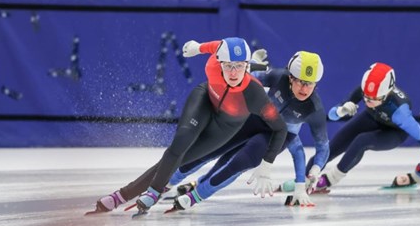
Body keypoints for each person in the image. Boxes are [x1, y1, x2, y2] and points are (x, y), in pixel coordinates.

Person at [88, 37, 287, 215]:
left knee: (182, 160)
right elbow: (215, 46)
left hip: (226, 126)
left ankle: (126, 194)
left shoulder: (256, 95)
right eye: (227, 66)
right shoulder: (213, 64)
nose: (233, 72)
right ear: (219, 62)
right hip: (205, 100)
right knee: (178, 147)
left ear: (245, 65)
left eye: (239, 66)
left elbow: (280, 129)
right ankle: (146, 193)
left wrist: (267, 164)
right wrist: (198, 47)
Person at [167, 49, 329, 211]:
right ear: (290, 77)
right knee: (212, 148)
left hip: (277, 136)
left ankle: (195, 196)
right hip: (257, 118)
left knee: (240, 162)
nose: (305, 89)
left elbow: (319, 147)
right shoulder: (278, 76)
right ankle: (167, 182)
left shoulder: (314, 109)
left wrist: (313, 171)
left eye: (310, 84)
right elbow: (246, 79)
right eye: (300, 82)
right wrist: (251, 65)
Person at [313, 62, 420, 197]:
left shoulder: (399, 111)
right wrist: (340, 111)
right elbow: (332, 115)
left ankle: (328, 180)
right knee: (332, 148)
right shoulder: (366, 90)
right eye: (366, 97)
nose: (368, 102)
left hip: (394, 132)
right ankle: (307, 175)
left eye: (374, 99)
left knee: (362, 141)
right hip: (372, 117)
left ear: (387, 94)